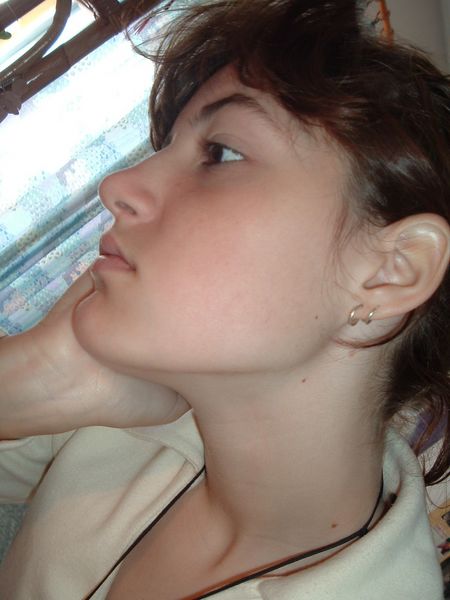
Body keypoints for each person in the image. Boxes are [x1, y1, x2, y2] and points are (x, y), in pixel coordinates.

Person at [0, 0, 449, 598]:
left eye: (223, 152)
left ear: (389, 273)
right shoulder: (119, 407)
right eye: (167, 147)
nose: (118, 186)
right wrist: (33, 379)